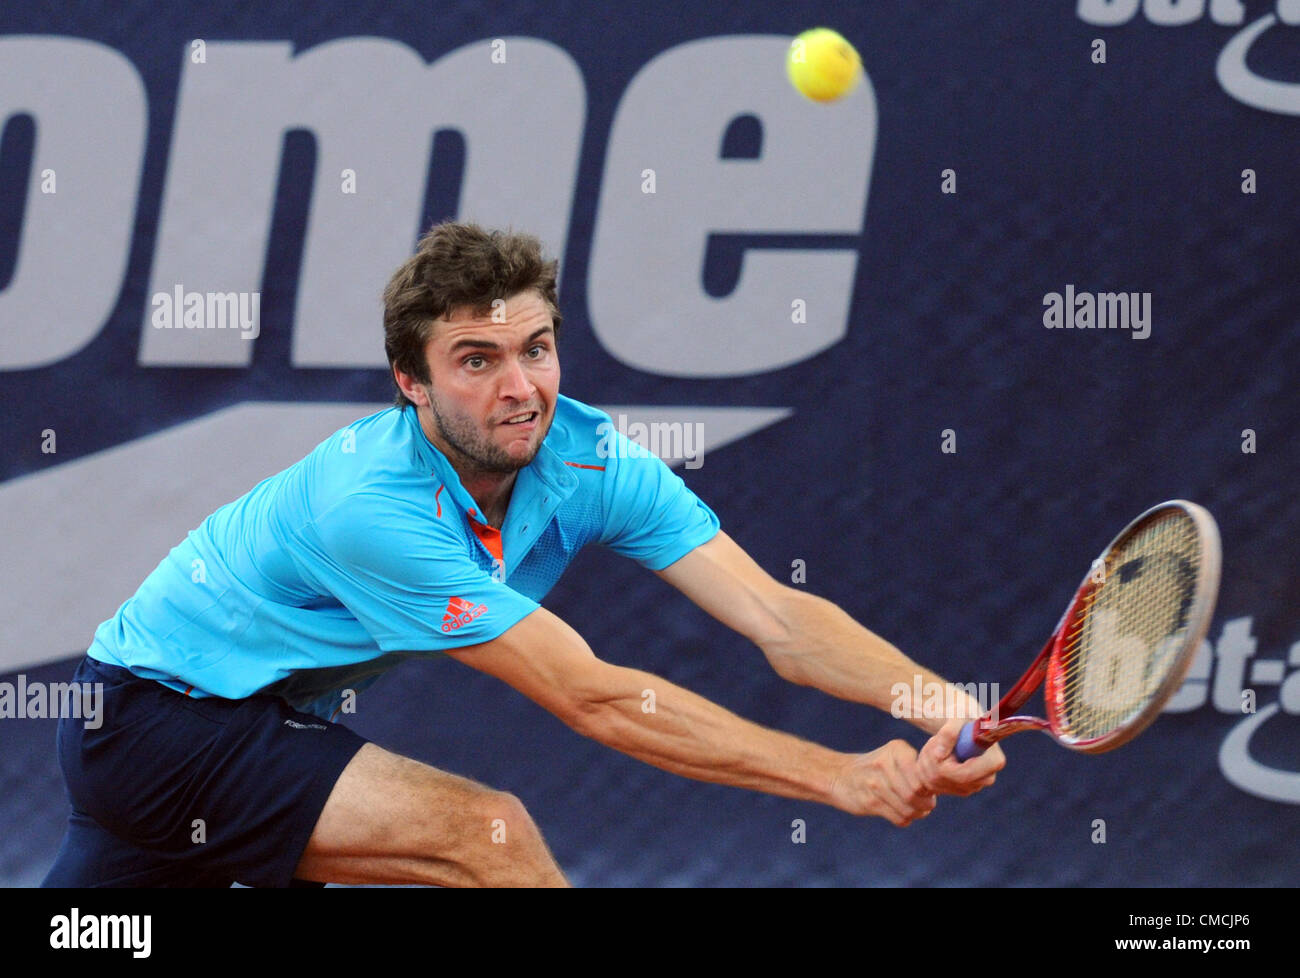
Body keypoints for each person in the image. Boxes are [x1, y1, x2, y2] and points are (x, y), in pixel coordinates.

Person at [43, 221, 1004, 888]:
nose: (520, 388)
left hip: (226, 728)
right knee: (487, 836)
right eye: (476, 360)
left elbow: (782, 619)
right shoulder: (370, 510)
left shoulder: (587, 456)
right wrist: (834, 776)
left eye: (535, 349)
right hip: (155, 726)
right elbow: (592, 698)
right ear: (410, 384)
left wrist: (936, 703)